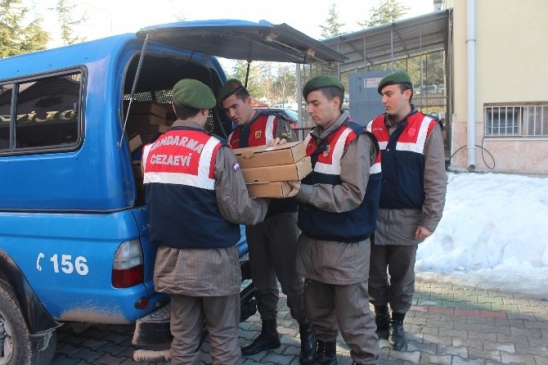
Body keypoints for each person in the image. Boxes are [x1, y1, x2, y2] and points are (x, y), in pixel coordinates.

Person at [142, 78, 269, 365]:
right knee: (222, 337)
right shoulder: (215, 149)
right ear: (204, 112)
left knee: (184, 338)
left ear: (175, 109)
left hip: (172, 261)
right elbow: (238, 210)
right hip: (213, 262)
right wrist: (264, 204)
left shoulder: (151, 150)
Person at [216, 79, 315, 363]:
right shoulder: (233, 139)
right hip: (254, 219)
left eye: (235, 106)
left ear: (248, 101)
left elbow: (294, 156)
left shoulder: (274, 124)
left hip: (283, 214)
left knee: (292, 280)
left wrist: (281, 147)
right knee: (261, 281)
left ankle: (306, 331)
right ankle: (269, 331)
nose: (232, 113)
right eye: (227, 110)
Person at [286, 75, 382, 365]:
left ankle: (364, 360)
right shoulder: (313, 138)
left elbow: (352, 194)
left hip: (346, 248)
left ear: (336, 102)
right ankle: (325, 354)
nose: (310, 110)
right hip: (315, 242)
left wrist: (303, 192)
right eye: (308, 104)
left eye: (315, 103)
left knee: (353, 319)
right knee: (318, 310)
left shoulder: (355, 139)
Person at [366, 70, 447, 351]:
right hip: (374, 218)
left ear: (407, 94)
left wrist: (429, 220)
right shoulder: (372, 126)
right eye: (382, 96)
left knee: (401, 277)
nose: (384, 100)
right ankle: (380, 319)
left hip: (407, 219)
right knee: (373, 274)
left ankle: (398, 323)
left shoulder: (427, 127)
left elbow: (436, 178)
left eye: (389, 94)